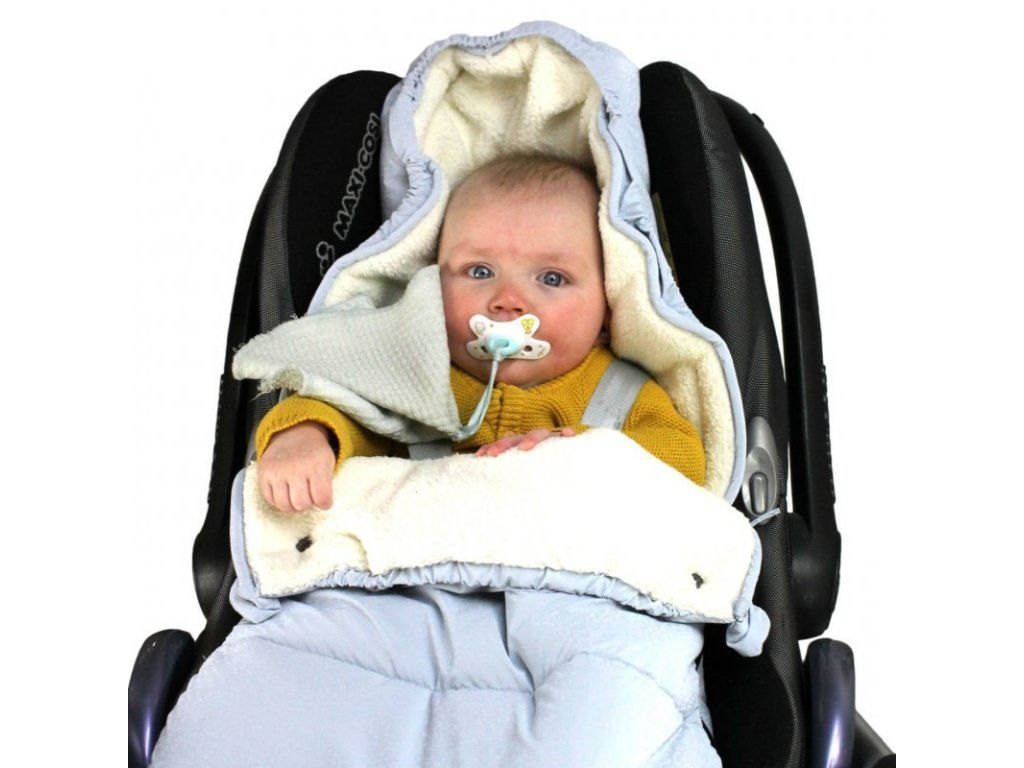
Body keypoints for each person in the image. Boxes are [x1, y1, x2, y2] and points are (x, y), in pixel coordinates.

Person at [254, 155, 706, 514]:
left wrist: (582, 449)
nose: (508, 300)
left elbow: (686, 460)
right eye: (480, 271)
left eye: (551, 278)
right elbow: (345, 403)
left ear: (606, 311)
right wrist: (308, 434)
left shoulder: (620, 392)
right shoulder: (413, 371)